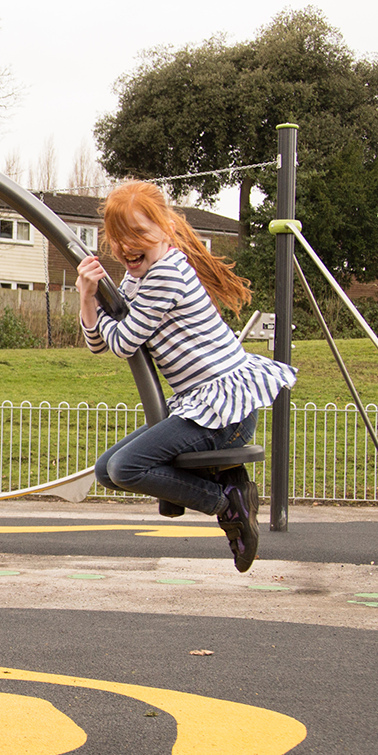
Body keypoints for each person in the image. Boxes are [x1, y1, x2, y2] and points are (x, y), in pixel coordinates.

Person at [77, 181, 297, 574]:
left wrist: (94, 302)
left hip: (223, 411)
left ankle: (227, 501)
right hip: (200, 408)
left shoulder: (165, 273)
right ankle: (221, 480)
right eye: (118, 237)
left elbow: (123, 343)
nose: (127, 246)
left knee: (127, 468)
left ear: (164, 229)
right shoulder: (138, 278)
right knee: (106, 471)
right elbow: (101, 344)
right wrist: (88, 301)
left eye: (139, 234)